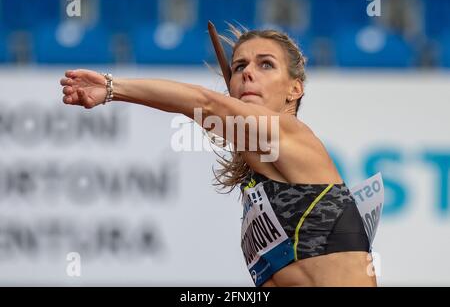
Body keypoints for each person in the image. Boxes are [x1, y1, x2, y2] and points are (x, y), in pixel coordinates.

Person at [59, 26, 376, 287]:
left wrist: (113, 88)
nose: (248, 73)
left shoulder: (290, 134)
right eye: (239, 66)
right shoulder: (261, 174)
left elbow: (204, 104)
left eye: (265, 64)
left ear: (294, 89)